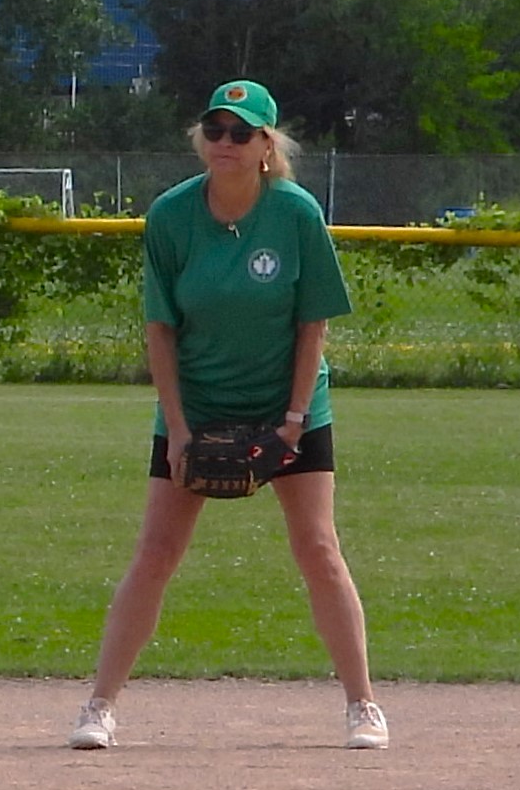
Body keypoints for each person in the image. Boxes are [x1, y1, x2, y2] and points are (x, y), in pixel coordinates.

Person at [66, 79, 388, 753]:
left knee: (318, 549)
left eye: (242, 132)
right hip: (197, 402)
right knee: (156, 553)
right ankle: (100, 705)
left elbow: (312, 324)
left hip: (290, 403)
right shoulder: (172, 215)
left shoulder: (295, 213)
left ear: (268, 145)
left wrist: (293, 419)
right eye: (215, 129)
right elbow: (160, 331)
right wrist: (179, 430)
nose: (225, 142)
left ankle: (363, 704)